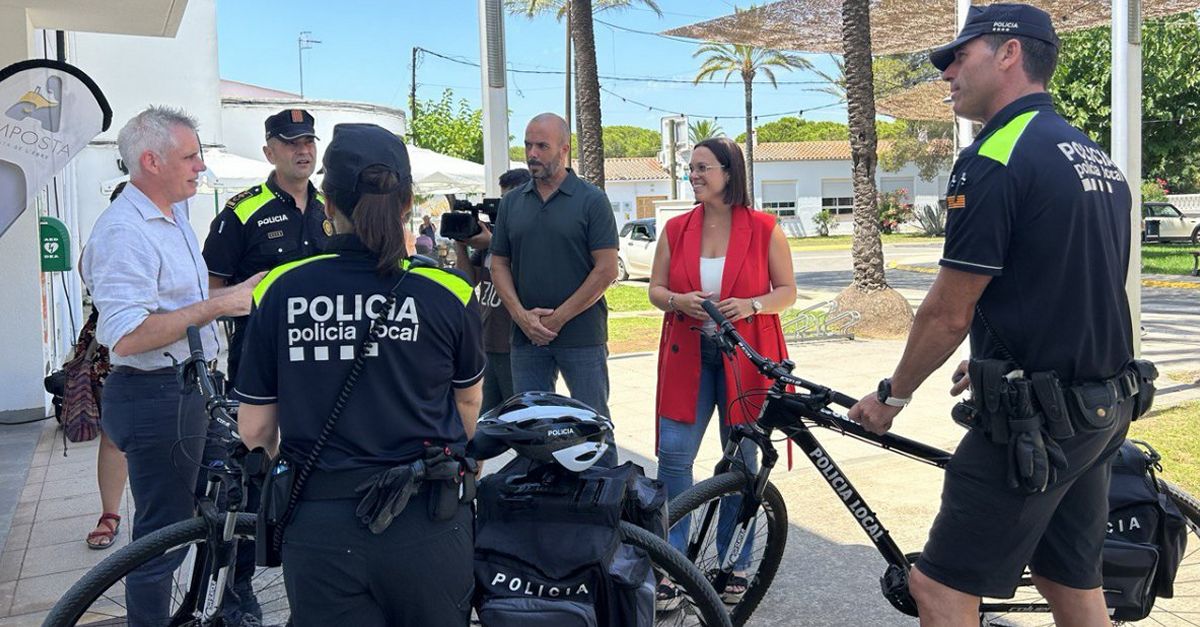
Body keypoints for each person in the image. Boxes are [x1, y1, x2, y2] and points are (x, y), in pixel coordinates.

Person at [847, 5, 1135, 626]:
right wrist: (998, 357)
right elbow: (1069, 283)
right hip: (1100, 408)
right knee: (1070, 581)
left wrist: (891, 396)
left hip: (1034, 423)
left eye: (961, 54)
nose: (947, 70)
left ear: (1009, 53)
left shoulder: (992, 158)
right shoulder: (1093, 157)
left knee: (939, 586)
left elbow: (949, 311)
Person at [235, 123, 484, 626]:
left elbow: (255, 430)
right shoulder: (448, 291)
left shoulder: (281, 289)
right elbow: (468, 409)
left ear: (328, 205)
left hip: (320, 525)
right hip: (428, 522)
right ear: (408, 202)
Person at [81, 106, 260, 625]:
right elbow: (128, 335)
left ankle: (200, 612)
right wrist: (220, 305)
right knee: (163, 540)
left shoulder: (175, 216)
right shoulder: (124, 231)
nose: (200, 166)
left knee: (210, 516)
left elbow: (182, 296)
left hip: (190, 386)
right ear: (151, 161)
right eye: (190, 156)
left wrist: (237, 293)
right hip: (154, 391)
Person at [647, 136, 796, 606]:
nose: (694, 175)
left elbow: (787, 291)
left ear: (729, 173)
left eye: (703, 168)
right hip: (686, 353)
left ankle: (734, 563)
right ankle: (671, 564)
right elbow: (654, 289)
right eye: (691, 168)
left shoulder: (764, 227)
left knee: (739, 462)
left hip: (745, 356)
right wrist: (676, 300)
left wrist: (751, 304)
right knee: (673, 455)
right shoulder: (675, 229)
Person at [490, 113, 619, 462]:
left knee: (594, 429)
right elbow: (498, 263)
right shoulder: (512, 203)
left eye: (541, 146)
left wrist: (558, 319)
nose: (532, 153)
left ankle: (605, 509)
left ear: (564, 149)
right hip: (526, 339)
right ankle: (542, 510)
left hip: (582, 337)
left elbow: (606, 270)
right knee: (532, 431)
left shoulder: (591, 200)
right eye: (528, 144)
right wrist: (520, 316)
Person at [203, 108, 326, 384]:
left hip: (322, 355)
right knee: (256, 430)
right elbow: (206, 291)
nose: (303, 151)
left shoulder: (330, 209)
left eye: (308, 141)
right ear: (269, 153)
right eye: (291, 143)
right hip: (260, 357)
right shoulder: (243, 212)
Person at [453, 167, 531, 413]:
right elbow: (467, 280)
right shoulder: (491, 238)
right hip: (487, 341)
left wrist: (494, 243)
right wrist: (460, 244)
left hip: (515, 345)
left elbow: (528, 274)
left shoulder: (528, 237)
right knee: (485, 419)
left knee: (520, 417)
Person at [84, 182, 127, 551]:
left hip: (167, 349)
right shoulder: (103, 240)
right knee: (113, 435)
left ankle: (172, 518)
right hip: (113, 348)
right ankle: (109, 513)